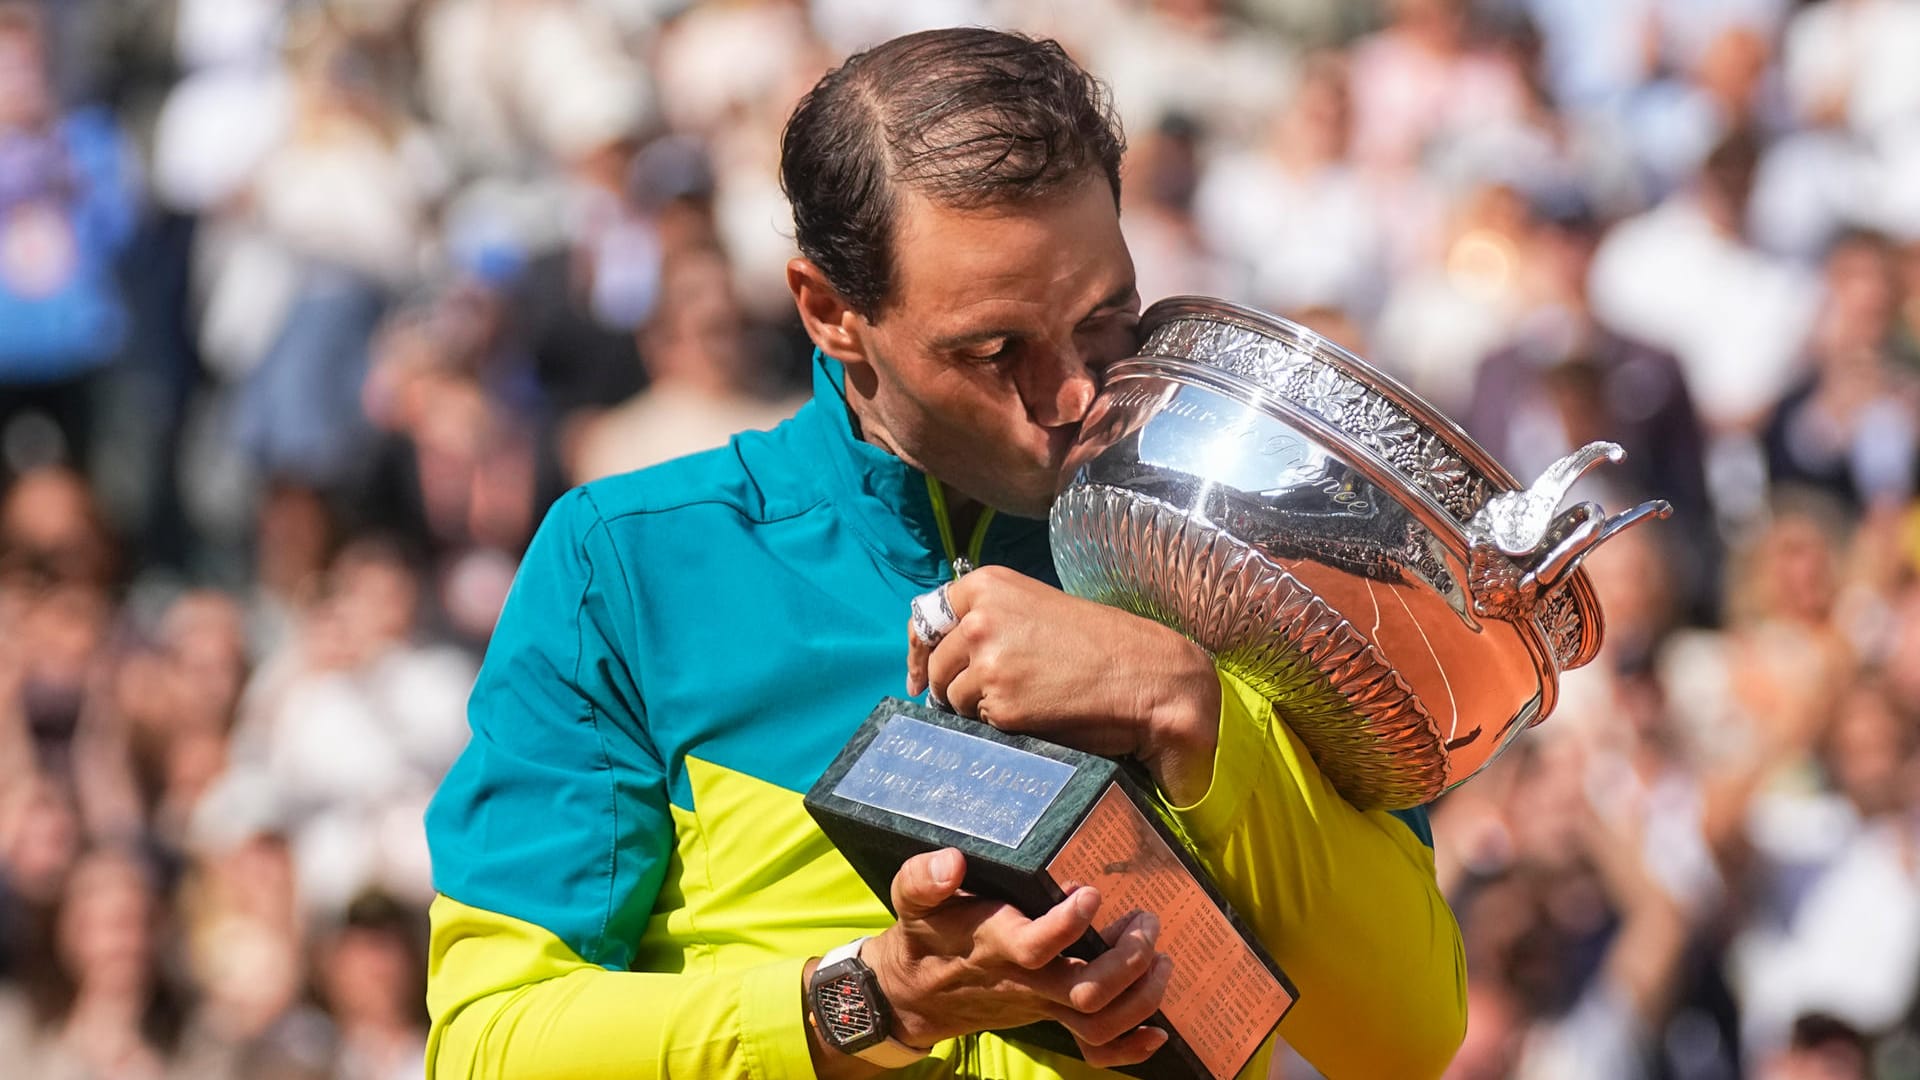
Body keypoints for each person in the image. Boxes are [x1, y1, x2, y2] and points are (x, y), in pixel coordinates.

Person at [424, 28, 1465, 1079]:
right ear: (829, 311)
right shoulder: (629, 563)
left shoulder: (1243, 554)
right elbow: (486, 1045)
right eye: (993, 349)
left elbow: (1408, 1040)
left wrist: (1188, 703)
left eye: (1105, 319)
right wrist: (869, 1001)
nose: (1072, 395)